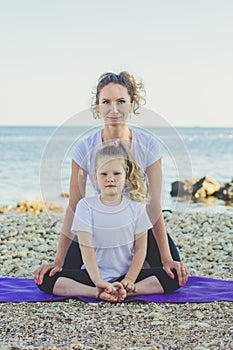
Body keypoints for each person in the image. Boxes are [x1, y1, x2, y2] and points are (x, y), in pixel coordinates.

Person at [34, 71, 188, 295]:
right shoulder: (84, 147)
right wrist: (58, 260)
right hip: (97, 230)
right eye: (106, 102)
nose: (113, 109)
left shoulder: (149, 146)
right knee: (55, 276)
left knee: (175, 273)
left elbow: (154, 205)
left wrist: (166, 258)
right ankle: (104, 287)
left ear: (132, 104)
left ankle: (128, 285)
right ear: (97, 106)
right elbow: (75, 205)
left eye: (121, 101)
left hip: (136, 227)